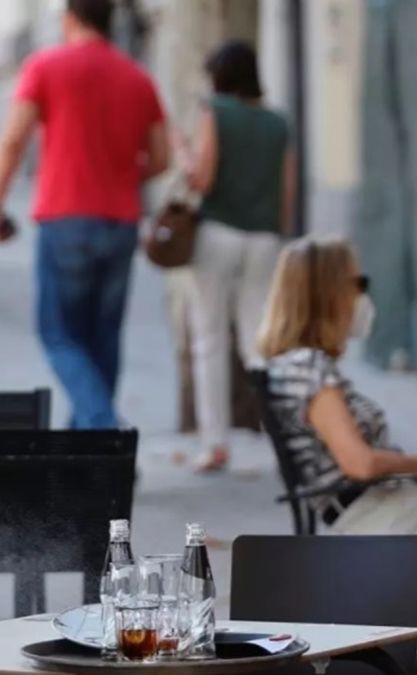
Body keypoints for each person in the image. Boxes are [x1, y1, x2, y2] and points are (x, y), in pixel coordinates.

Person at [0, 0, 169, 429]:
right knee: (103, 337)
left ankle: (103, 427)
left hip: (65, 217)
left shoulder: (46, 66)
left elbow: (14, 140)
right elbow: (161, 158)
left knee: (59, 333)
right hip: (122, 220)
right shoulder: (138, 78)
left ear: (69, 19)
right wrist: (122, 171)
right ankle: (90, 447)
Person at [175, 41, 295, 472]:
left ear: (220, 77)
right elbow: (286, 194)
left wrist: (186, 154)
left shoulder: (215, 111)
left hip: (219, 233)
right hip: (264, 238)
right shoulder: (279, 123)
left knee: (209, 338)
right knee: (259, 343)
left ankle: (215, 444)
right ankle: (286, 440)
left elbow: (203, 180)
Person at [260, 238, 417, 534]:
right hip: (377, 516)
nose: (363, 295)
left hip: (386, 506)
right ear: (328, 294)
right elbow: (359, 464)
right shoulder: (307, 368)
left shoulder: (297, 366)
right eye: (358, 283)